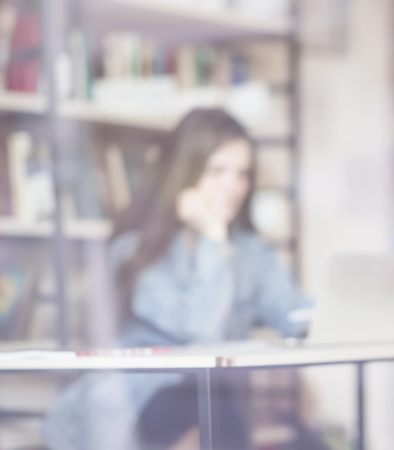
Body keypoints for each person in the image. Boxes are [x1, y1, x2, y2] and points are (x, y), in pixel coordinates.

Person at [42, 109, 322, 450]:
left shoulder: (250, 253)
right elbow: (201, 331)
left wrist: (335, 317)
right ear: (185, 172)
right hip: (137, 407)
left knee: (303, 439)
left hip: (211, 410)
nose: (232, 187)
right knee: (209, 396)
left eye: (242, 174)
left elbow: (291, 310)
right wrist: (213, 239)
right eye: (218, 171)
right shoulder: (136, 251)